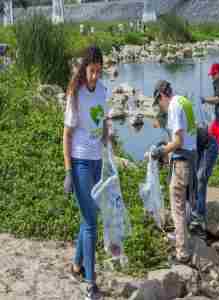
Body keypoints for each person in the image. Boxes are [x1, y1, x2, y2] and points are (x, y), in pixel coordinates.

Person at [63, 45, 111, 300]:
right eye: (92, 71)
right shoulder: (76, 93)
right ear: (85, 69)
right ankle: (91, 284)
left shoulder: (102, 91)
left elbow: (103, 120)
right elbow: (67, 135)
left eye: (99, 72)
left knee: (87, 217)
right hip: (80, 162)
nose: (95, 76)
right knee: (92, 222)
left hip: (96, 162)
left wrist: (107, 145)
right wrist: (68, 170)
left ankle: (75, 266)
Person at [150, 80, 197, 263]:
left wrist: (161, 151)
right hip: (191, 158)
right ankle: (185, 239)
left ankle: (182, 252)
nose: (160, 107)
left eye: (158, 102)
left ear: (162, 96)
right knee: (185, 204)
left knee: (176, 206)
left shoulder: (174, 107)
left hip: (181, 162)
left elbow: (177, 141)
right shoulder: (184, 101)